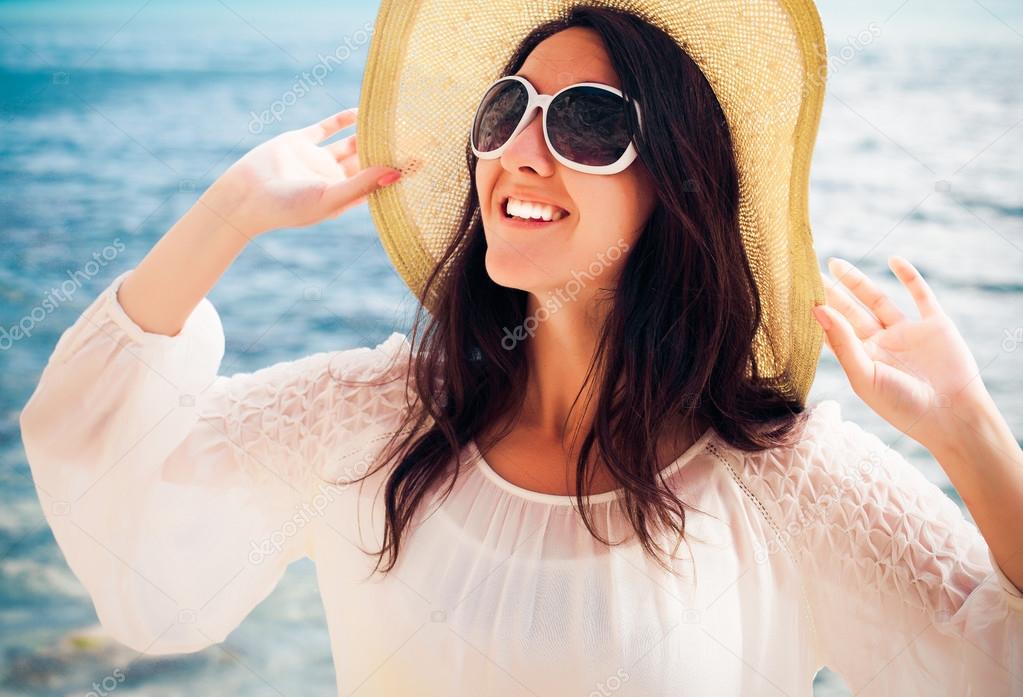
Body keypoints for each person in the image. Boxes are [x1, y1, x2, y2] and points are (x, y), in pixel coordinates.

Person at [20, 2, 1023, 695]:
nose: (519, 150)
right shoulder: (376, 422)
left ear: (675, 185)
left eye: (587, 123)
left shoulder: (779, 477)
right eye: (508, 110)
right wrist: (230, 212)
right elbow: (130, 536)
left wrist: (971, 434)